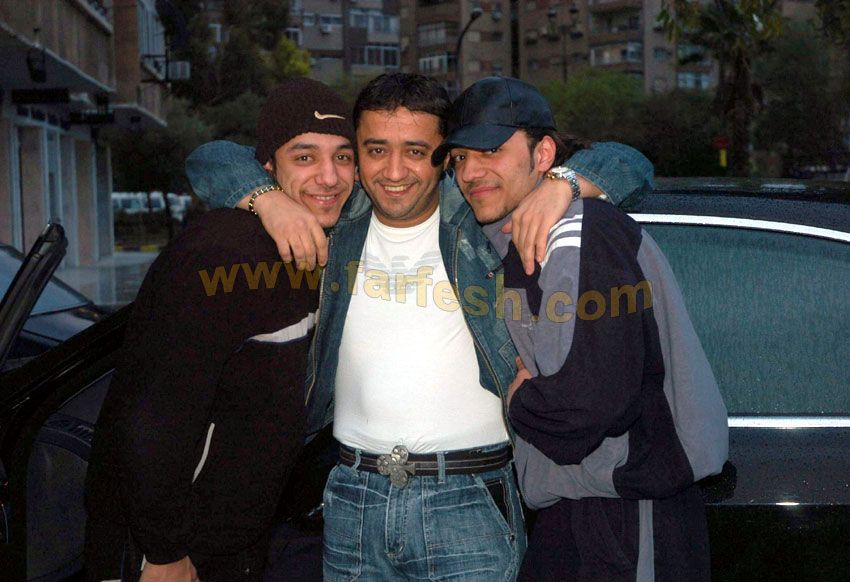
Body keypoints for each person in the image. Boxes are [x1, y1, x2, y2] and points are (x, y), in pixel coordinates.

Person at [185, 72, 655, 581]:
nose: (394, 171)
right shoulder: (337, 222)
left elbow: (628, 162)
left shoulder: (479, 215)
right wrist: (268, 199)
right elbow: (210, 159)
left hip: (469, 503)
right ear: (357, 155)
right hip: (351, 497)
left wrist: (560, 185)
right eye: (375, 150)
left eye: (415, 151)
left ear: (445, 156)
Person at [435, 76, 729, 581]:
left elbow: (588, 404)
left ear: (543, 153)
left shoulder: (580, 232)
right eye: (459, 157)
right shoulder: (509, 235)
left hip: (626, 512)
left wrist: (519, 402)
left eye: (491, 151)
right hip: (577, 507)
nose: (471, 171)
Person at [83, 78, 357, 582]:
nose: (329, 176)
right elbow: (152, 415)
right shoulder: (220, 253)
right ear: (267, 167)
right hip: (170, 552)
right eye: (304, 157)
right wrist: (163, 551)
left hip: (239, 545)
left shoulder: (329, 244)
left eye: (343, 157)